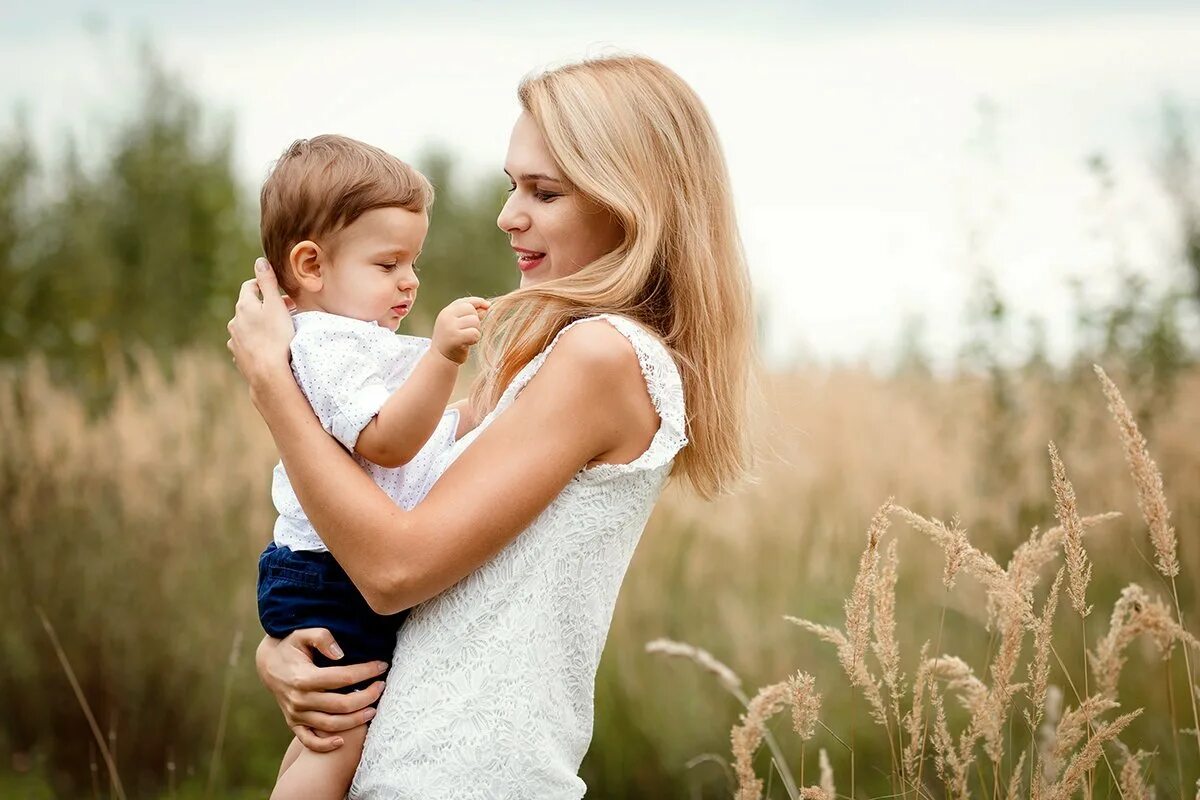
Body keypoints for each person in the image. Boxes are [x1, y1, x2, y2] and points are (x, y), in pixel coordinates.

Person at [227, 54, 754, 798]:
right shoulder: (558, 356)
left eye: (544, 191)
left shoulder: (603, 357)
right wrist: (285, 645)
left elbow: (394, 569)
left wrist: (272, 384)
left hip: (462, 775)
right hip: (414, 760)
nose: (509, 214)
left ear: (629, 203)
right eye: (514, 186)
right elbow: (407, 539)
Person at [252, 134, 490, 798]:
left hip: (328, 567)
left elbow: (407, 439)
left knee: (323, 739)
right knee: (342, 738)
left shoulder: (351, 340)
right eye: (388, 264)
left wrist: (474, 415)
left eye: (413, 261)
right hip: (330, 573)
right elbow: (384, 442)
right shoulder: (328, 346)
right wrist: (444, 359)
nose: (409, 281)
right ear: (311, 265)